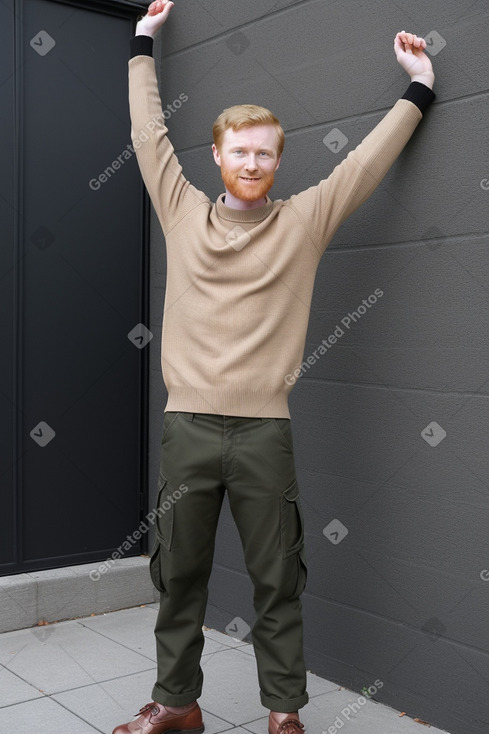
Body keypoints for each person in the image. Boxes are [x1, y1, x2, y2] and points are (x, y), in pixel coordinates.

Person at [114, 3, 435, 733]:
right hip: (187, 428)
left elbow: (365, 163)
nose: (252, 163)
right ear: (218, 156)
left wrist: (417, 88)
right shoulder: (181, 208)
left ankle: (283, 715)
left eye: (265, 153)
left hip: (263, 434)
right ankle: (176, 704)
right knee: (178, 576)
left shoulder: (305, 221)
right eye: (240, 151)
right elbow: (146, 133)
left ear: (278, 160)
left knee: (277, 581)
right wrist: (140, 43)